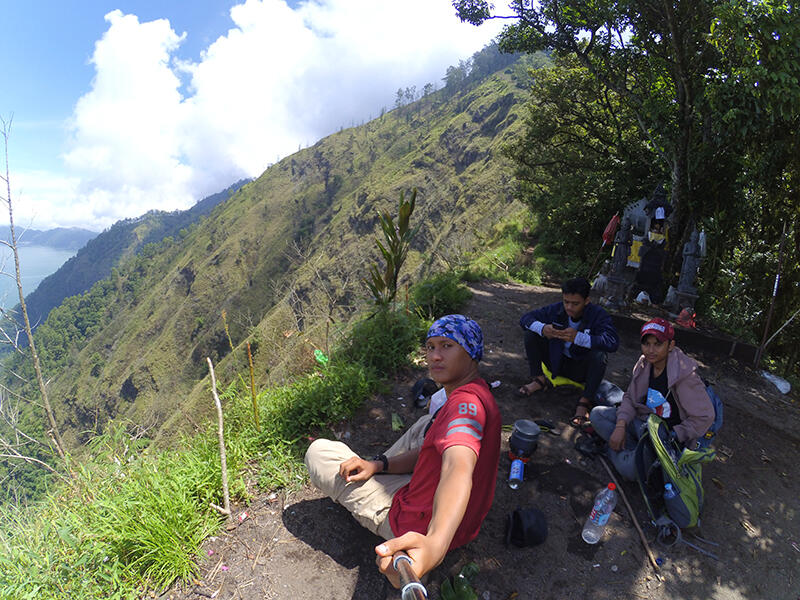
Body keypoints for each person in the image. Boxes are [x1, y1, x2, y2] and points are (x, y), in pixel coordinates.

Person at [304, 315, 501, 588]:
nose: (435, 356)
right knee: (425, 424)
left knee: (319, 452)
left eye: (447, 346)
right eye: (430, 347)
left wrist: (435, 544)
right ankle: (377, 472)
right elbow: (435, 454)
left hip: (416, 520)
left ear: (471, 352)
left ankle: (415, 551)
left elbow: (457, 467)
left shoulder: (464, 406)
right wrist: (378, 465)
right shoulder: (477, 393)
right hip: (459, 517)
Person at [589, 318, 715, 481]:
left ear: (670, 345)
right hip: (643, 422)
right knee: (597, 415)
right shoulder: (644, 364)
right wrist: (621, 426)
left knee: (630, 472)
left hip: (663, 439)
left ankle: (615, 450)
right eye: (646, 344)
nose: (651, 350)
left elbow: (705, 416)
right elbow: (630, 397)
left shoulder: (684, 376)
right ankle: (631, 451)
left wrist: (675, 434)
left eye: (658, 344)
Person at [518, 277, 619, 427]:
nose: (569, 307)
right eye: (566, 301)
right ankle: (539, 379)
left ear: (586, 301)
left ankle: (584, 401)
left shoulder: (598, 315)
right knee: (531, 333)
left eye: (575, 303)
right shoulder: (557, 309)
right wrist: (543, 328)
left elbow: (612, 342)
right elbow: (525, 319)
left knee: (600, 354)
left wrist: (579, 338)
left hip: (580, 369)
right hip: (555, 363)